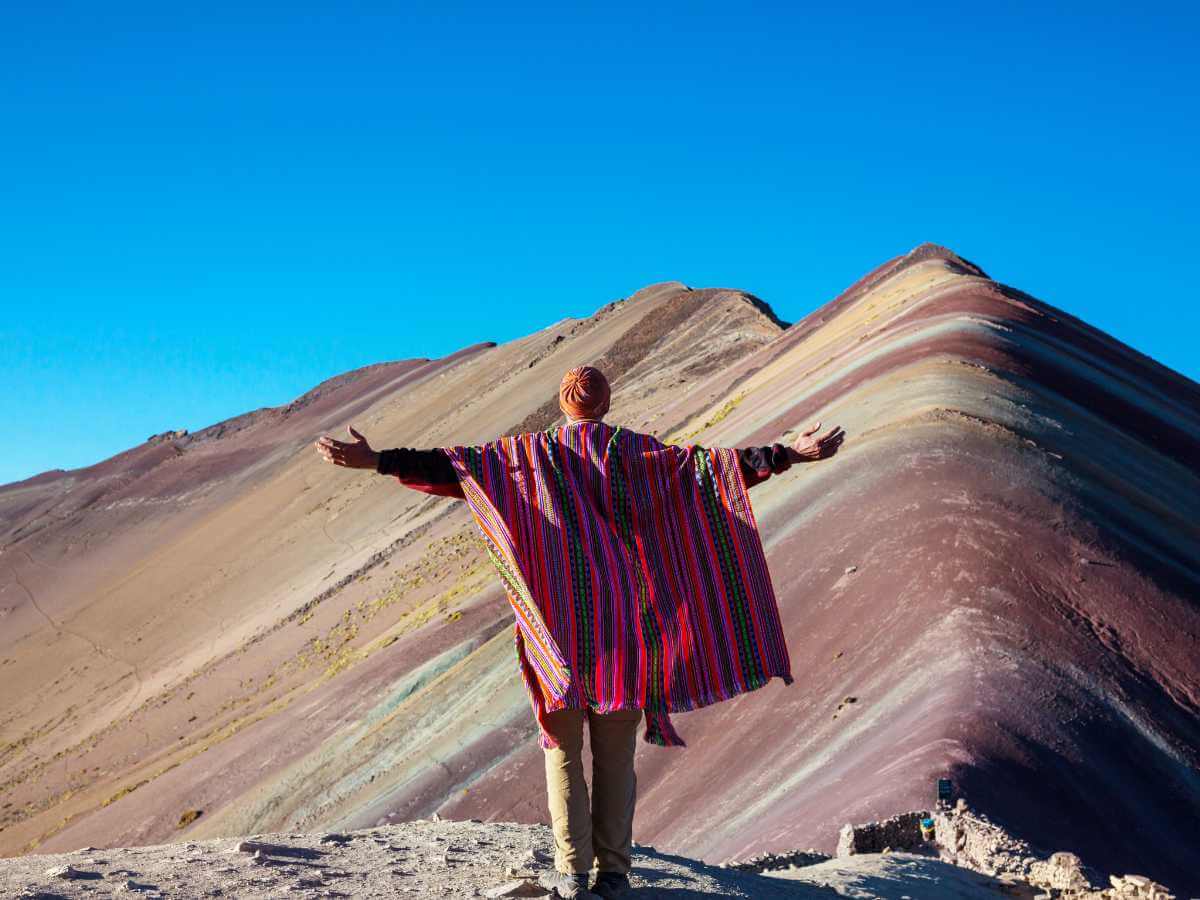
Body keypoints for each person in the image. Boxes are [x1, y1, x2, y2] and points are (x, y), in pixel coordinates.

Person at [315, 365, 843, 899]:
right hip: (627, 642)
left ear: (562, 405)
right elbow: (713, 470)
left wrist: (376, 460)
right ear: (606, 404)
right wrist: (788, 453)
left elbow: (450, 468)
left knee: (562, 752)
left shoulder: (522, 458)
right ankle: (613, 873)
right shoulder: (639, 456)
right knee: (616, 759)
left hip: (556, 638)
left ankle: (572, 873)